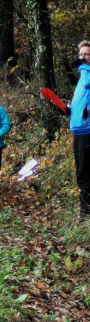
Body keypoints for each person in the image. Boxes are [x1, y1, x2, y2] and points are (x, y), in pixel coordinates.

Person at [70, 41, 90, 218]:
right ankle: (84, 208)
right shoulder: (82, 77)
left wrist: (84, 68)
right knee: (80, 170)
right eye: (80, 55)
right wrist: (69, 109)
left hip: (87, 131)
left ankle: (85, 212)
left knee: (85, 170)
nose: (82, 58)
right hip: (77, 130)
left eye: (86, 55)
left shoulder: (87, 74)